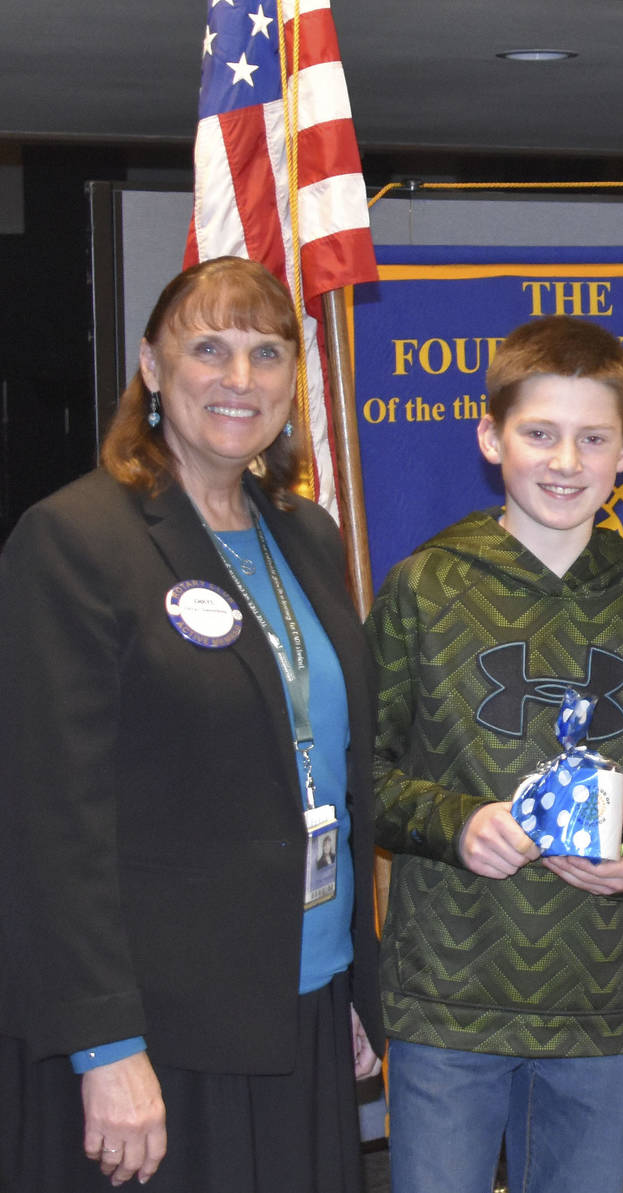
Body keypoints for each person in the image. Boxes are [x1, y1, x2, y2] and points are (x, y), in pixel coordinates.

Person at [0, 256, 383, 1192]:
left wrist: (350, 985)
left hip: (297, 991)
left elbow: (331, 767)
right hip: (157, 1026)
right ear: (151, 366)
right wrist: (105, 1045)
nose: (240, 378)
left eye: (267, 351)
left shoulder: (305, 531)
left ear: (297, 380)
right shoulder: (76, 540)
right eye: (208, 348)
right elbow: (51, 820)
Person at [369, 315, 623, 1193]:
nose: (566, 461)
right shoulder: (424, 589)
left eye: (593, 437)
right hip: (451, 992)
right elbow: (358, 776)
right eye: (539, 434)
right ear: (491, 438)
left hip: (596, 994)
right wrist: (455, 823)